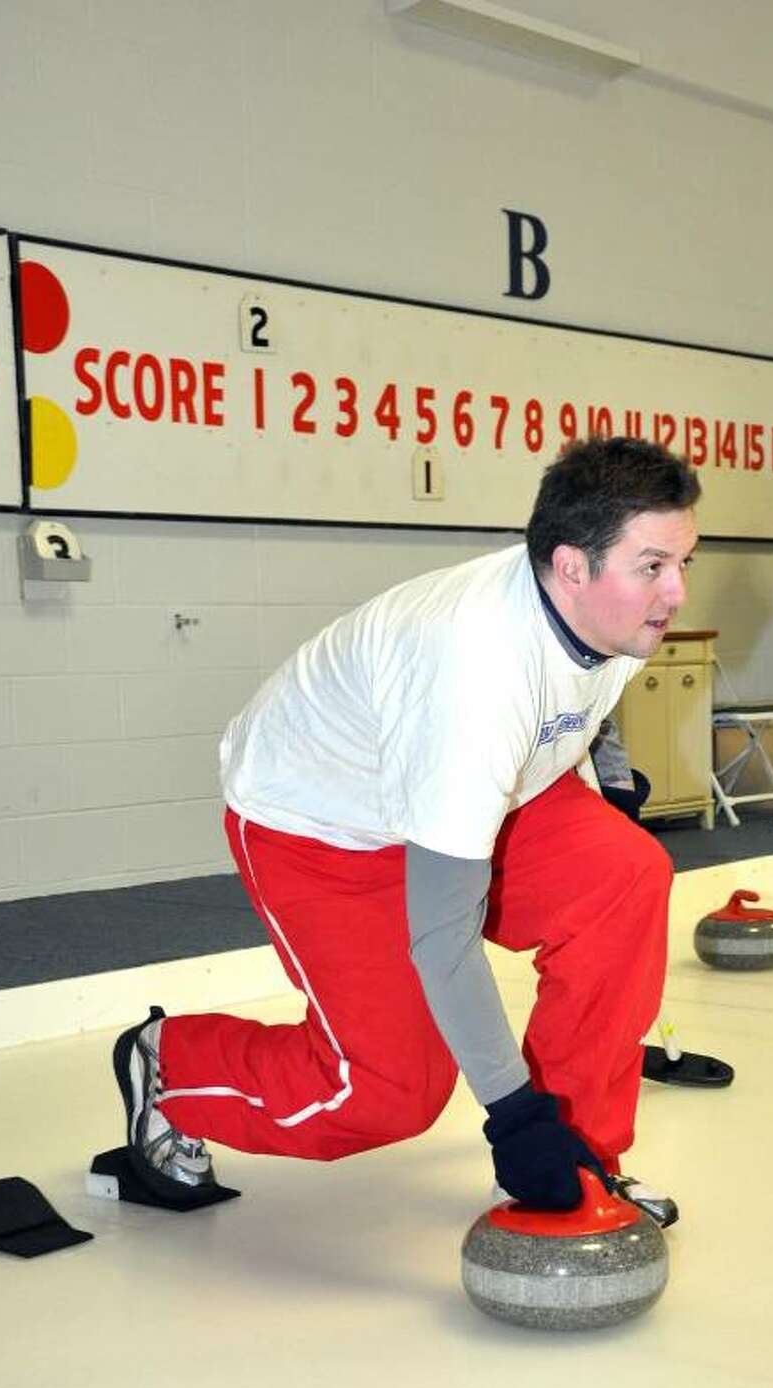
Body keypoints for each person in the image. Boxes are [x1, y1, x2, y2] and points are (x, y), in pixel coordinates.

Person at [113, 437, 701, 1215]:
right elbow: (441, 935)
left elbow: (566, 709)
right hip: (327, 824)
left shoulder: (611, 612)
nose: (678, 592)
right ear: (570, 565)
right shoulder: (475, 674)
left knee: (623, 873)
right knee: (394, 1090)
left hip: (460, 787)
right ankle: (171, 1064)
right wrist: (515, 1116)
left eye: (684, 562)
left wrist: (606, 790)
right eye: (655, 565)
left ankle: (583, 1155)